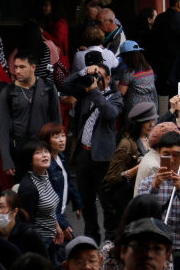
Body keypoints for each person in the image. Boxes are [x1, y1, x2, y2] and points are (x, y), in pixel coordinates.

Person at [69, 62, 123, 243]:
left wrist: (95, 91)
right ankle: (91, 237)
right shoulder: (85, 92)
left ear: (108, 79)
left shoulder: (115, 97)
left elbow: (110, 114)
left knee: (107, 201)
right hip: (83, 154)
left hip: (102, 157)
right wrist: (84, 72)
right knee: (86, 201)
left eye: (100, 76)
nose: (96, 78)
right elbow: (65, 85)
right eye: (95, 75)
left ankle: (110, 238)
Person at [0, 49, 61, 178]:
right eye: (15, 67)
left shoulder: (48, 87)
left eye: (22, 67)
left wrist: (56, 150)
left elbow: (56, 121)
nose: (17, 71)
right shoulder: (8, 91)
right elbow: (3, 127)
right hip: (20, 150)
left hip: (43, 147)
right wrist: (6, 159)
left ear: (33, 67)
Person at [101, 103, 157, 231]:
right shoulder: (126, 145)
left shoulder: (151, 139)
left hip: (148, 193)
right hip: (128, 199)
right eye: (147, 121)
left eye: (152, 120)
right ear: (138, 123)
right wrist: (138, 168)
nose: (151, 124)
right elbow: (112, 178)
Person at [38, 122, 82, 243]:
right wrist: (62, 224)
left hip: (61, 214)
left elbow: (67, 181)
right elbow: (48, 202)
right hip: (53, 219)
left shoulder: (61, 157)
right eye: (56, 137)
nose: (62, 140)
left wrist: (77, 202)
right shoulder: (47, 166)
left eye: (63, 136)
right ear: (47, 141)